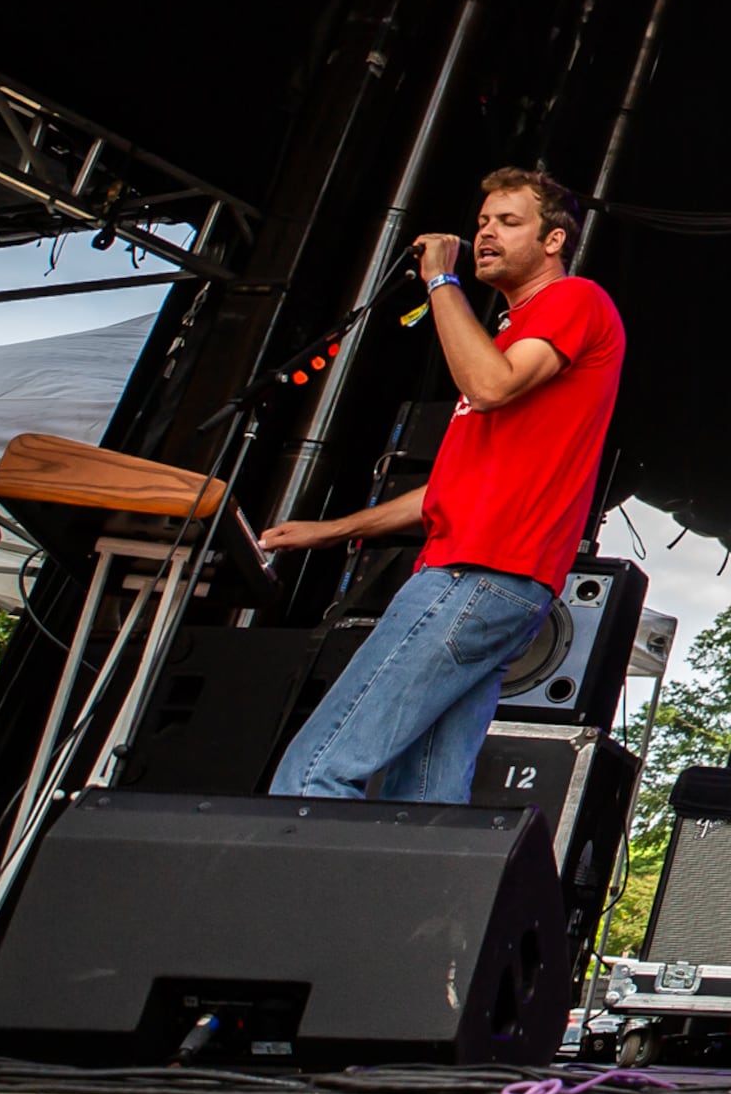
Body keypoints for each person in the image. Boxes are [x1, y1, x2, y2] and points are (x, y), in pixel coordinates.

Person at [261, 168, 625, 802]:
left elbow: (490, 387)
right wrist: (333, 530)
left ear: (554, 241)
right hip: (498, 581)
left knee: (318, 770)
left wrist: (440, 280)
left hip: (477, 572)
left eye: (508, 222)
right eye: (482, 222)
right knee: (423, 803)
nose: (485, 234)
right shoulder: (507, 335)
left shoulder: (573, 299)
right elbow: (447, 491)